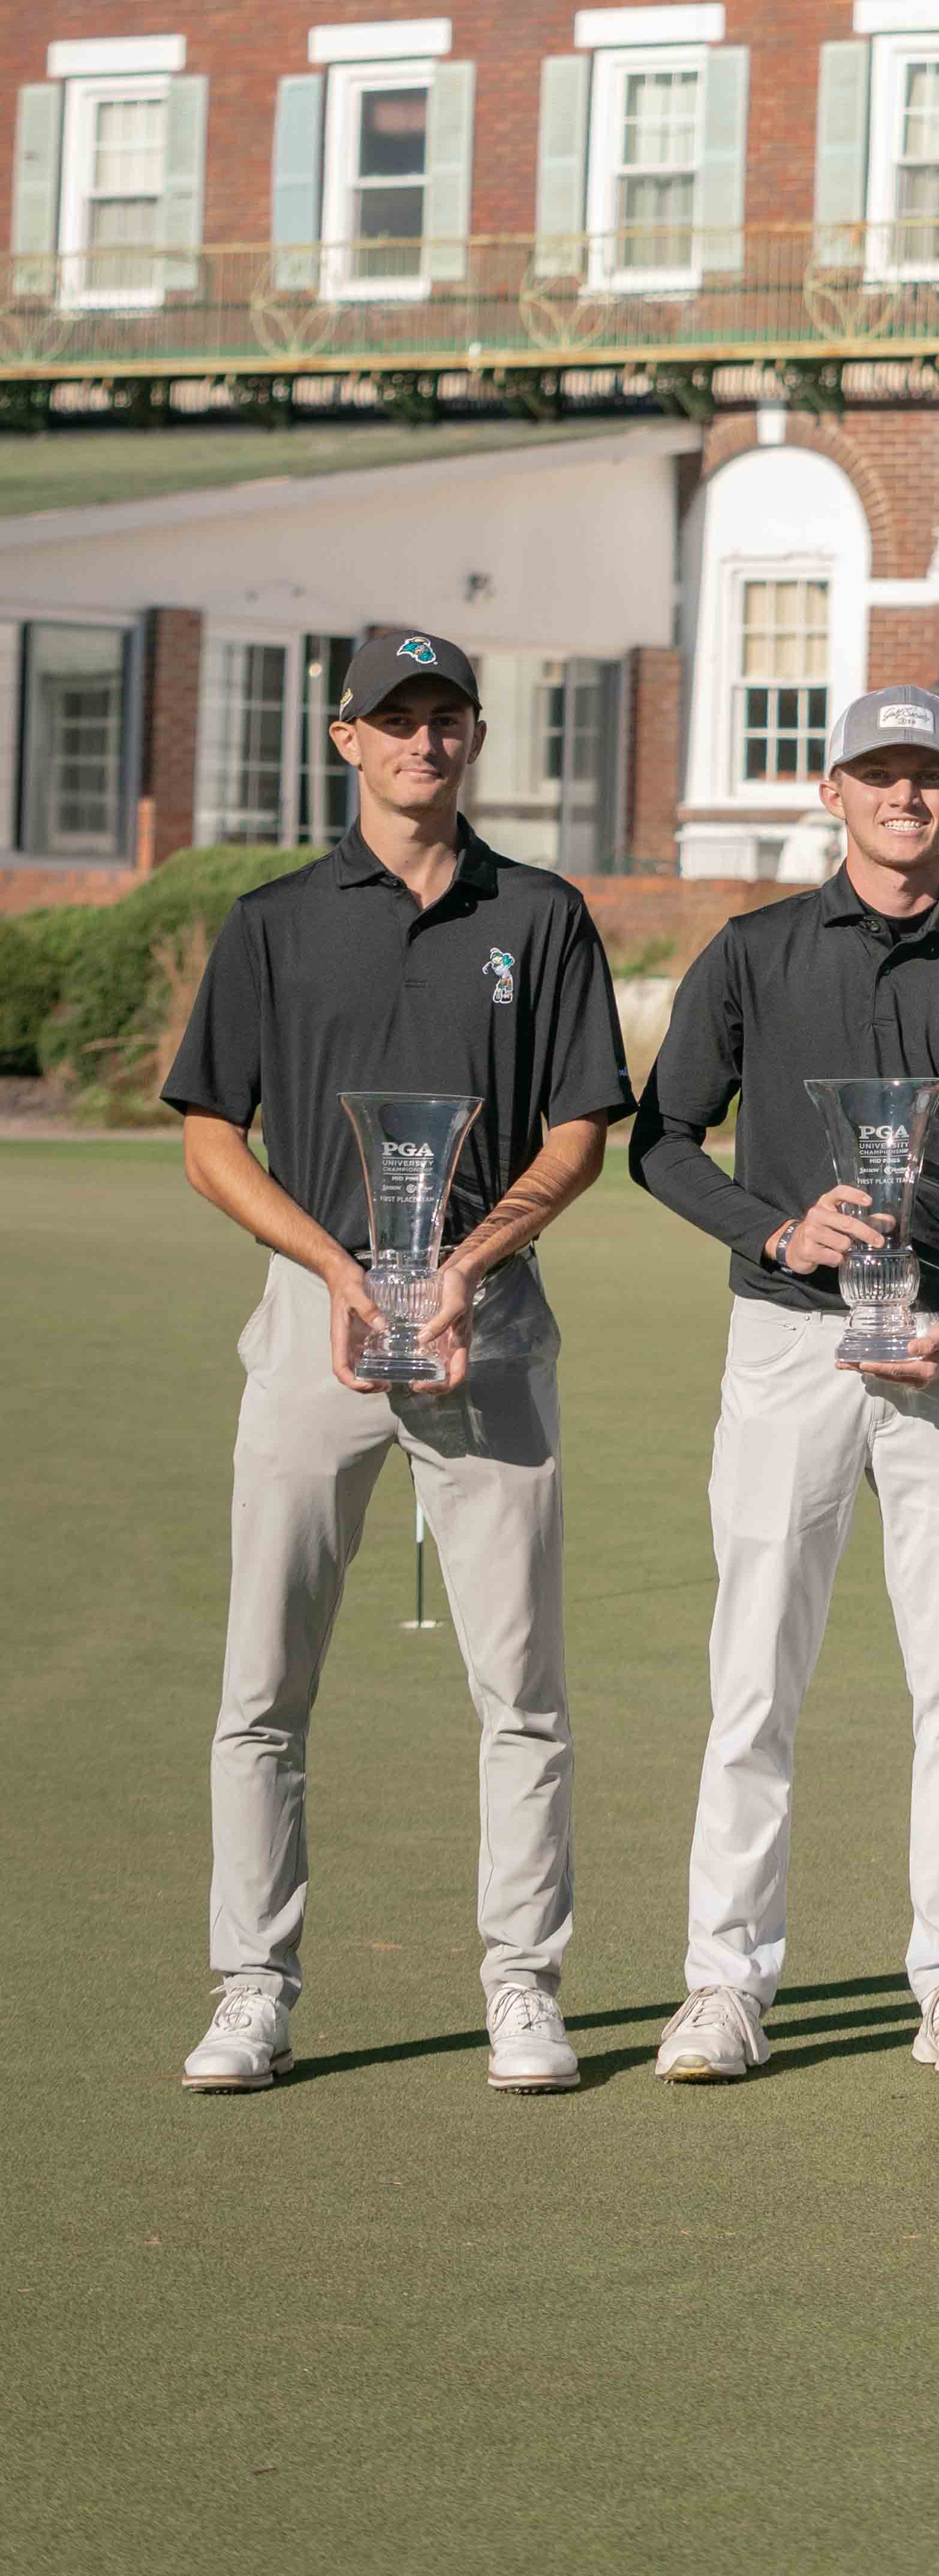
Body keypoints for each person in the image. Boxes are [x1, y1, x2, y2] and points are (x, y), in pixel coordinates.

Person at [163, 626, 633, 2095]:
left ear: (474, 738)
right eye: (397, 719)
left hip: (491, 1327)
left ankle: (522, 1988)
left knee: (524, 1687)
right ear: (343, 738)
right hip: (314, 1329)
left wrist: (465, 1266)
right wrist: (333, 1268)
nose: (426, 742)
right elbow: (206, 1135)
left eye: (449, 718)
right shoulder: (276, 921)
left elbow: (577, 1131)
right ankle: (254, 1984)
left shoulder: (541, 914)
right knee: (264, 1680)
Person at [630, 689, 939, 2085]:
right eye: (881, 774)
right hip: (786, 1343)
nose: (907, 797)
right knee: (753, 1677)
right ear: (832, 791)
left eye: (931, 776)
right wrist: (774, 1229)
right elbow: (660, 1139)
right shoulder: (755, 953)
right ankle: (726, 1981)